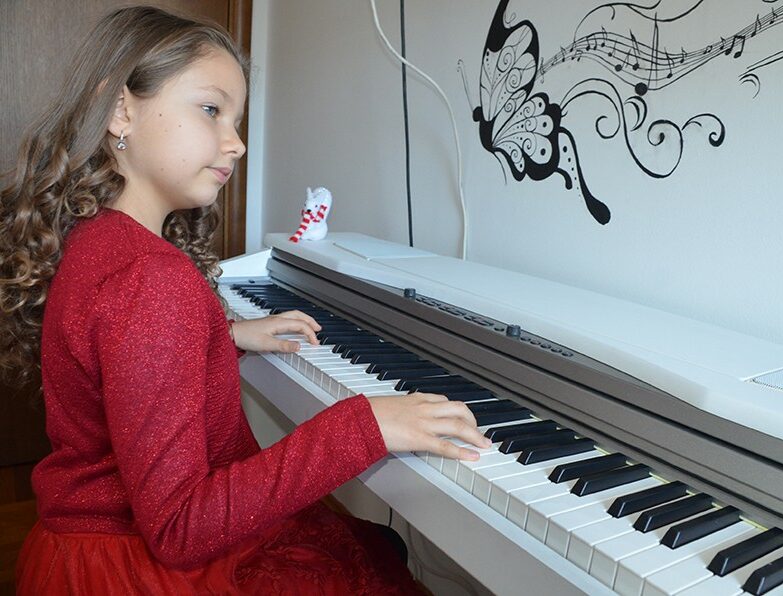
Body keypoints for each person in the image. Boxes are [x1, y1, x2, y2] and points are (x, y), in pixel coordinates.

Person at [1, 6, 490, 595]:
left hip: (73, 551)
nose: (235, 144)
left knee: (370, 547)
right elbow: (181, 528)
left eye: (236, 120)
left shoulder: (95, 238)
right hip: (138, 569)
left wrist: (221, 336)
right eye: (211, 110)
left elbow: (124, 359)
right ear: (120, 110)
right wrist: (365, 426)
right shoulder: (151, 279)